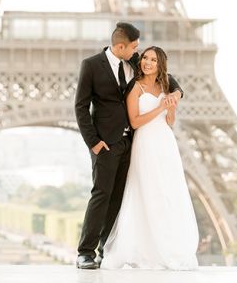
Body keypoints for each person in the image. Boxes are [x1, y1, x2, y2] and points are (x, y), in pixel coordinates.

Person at [74, 23, 184, 270]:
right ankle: (85, 252)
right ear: (120, 46)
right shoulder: (91, 65)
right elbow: (80, 107)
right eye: (134, 47)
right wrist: (93, 142)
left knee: (119, 198)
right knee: (102, 195)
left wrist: (177, 93)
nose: (138, 51)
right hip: (106, 142)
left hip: (132, 142)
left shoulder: (134, 61)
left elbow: (166, 77)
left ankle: (107, 248)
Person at [101, 46, 199, 270]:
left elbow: (169, 121)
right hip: (145, 144)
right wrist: (159, 108)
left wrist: (170, 107)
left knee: (166, 193)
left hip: (165, 144)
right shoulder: (135, 87)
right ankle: (145, 248)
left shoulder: (166, 86)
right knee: (146, 192)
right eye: (145, 57)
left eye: (153, 60)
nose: (147, 62)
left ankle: (166, 245)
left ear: (160, 64)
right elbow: (134, 122)